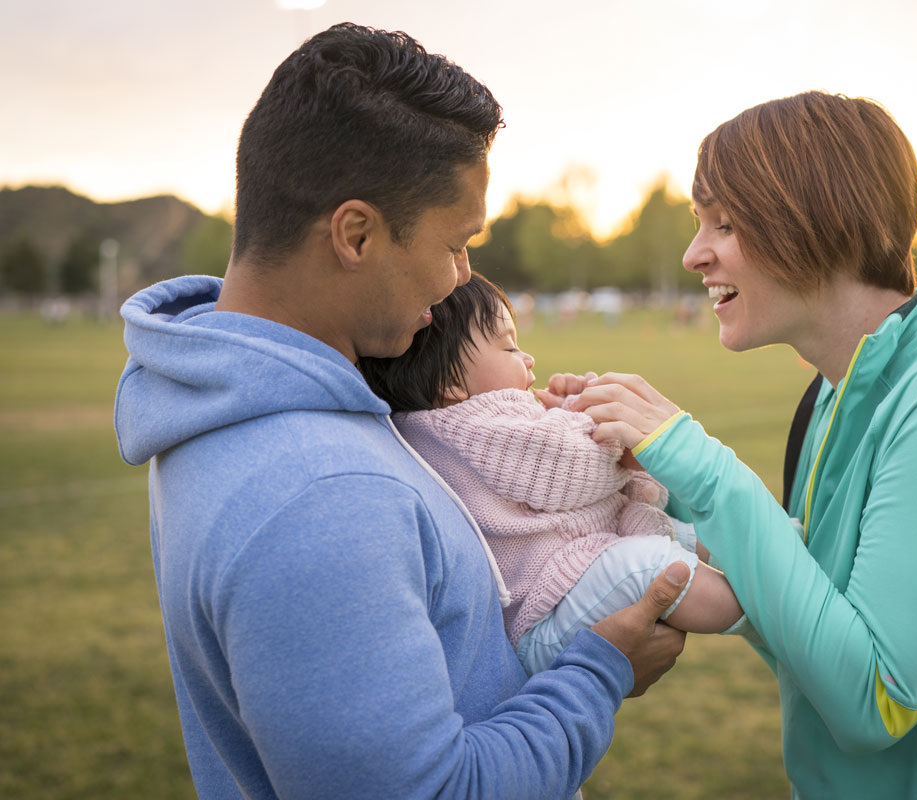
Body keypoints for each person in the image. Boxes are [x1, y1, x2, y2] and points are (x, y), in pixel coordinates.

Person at [113, 23, 687, 800]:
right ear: (356, 234)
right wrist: (598, 670)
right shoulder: (318, 494)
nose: (461, 278)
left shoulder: (225, 394)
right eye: (457, 243)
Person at [556, 91, 917, 798]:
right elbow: (813, 635)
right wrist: (654, 481)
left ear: (816, 219)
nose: (693, 254)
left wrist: (702, 465)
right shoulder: (834, 393)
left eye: (725, 223)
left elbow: (873, 700)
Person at [359, 273, 751, 675]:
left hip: (566, 592)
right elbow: (574, 465)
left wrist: (567, 410)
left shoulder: (444, 426)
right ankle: (765, 612)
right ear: (451, 381)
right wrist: (608, 425)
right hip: (545, 611)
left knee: (682, 536)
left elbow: (547, 465)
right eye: (509, 346)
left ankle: (781, 551)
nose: (527, 358)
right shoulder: (477, 424)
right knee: (647, 564)